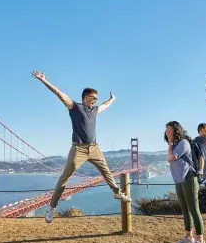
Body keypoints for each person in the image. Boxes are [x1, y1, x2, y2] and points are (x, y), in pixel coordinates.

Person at [31, 70, 132, 224]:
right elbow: (59, 93)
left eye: (97, 98)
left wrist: (112, 99)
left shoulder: (94, 110)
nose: (96, 100)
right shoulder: (75, 107)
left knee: (106, 171)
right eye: (94, 98)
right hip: (78, 149)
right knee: (65, 178)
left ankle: (117, 192)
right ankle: (51, 207)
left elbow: (105, 105)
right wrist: (44, 80)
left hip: (94, 148)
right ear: (86, 97)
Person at [164, 121, 206, 243]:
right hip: (179, 180)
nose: (167, 132)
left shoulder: (183, 143)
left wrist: (170, 142)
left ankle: (201, 240)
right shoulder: (175, 144)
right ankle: (188, 237)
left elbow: (171, 158)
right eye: (166, 130)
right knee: (185, 209)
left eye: (170, 130)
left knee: (194, 209)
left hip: (189, 178)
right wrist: (171, 142)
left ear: (176, 131)